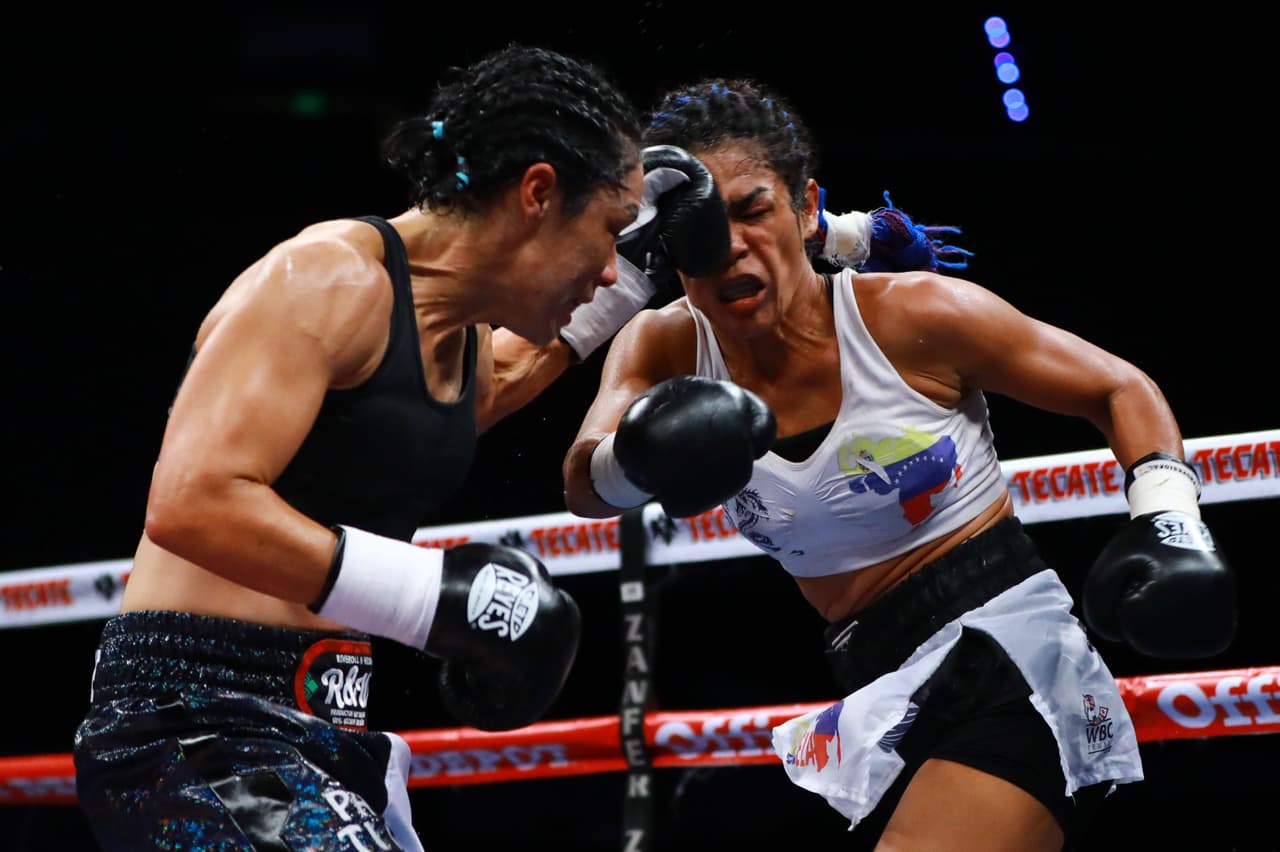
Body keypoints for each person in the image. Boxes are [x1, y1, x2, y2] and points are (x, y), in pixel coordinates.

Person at [562, 77, 1237, 851]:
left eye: (754, 210)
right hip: (874, 685)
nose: (732, 246)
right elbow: (584, 486)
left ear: (808, 209)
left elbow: (1117, 386)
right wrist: (638, 458)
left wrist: (1172, 524)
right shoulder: (663, 345)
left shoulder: (912, 316)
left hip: (1009, 662)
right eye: (702, 227)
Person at [69, 43, 671, 852]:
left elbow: (513, 371)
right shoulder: (326, 281)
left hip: (322, 728)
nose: (605, 270)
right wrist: (432, 601)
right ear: (537, 193)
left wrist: (645, 268)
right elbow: (192, 500)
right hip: (193, 725)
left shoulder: (452, 340)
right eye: (608, 233)